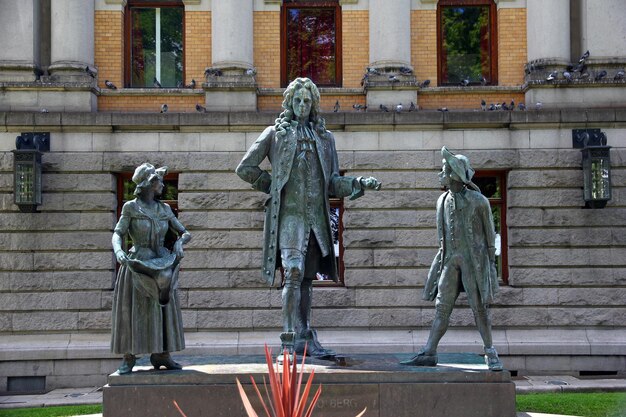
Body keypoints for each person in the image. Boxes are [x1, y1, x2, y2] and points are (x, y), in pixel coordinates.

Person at [236, 78, 380, 358]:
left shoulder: (325, 139)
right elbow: (245, 168)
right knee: (292, 272)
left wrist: (359, 183)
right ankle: (288, 342)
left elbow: (332, 183)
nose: (302, 106)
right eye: (297, 100)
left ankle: (305, 336)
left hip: (316, 219)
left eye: (307, 101)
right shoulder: (275, 134)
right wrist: (273, 185)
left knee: (306, 280)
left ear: (313, 105)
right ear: (289, 103)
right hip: (290, 217)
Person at [401, 147, 503, 371]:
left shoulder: (479, 202)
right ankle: (429, 351)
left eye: (445, 170)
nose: (442, 173)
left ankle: (490, 351)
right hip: (449, 260)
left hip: (473, 262)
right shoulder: (442, 201)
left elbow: (489, 238)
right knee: (441, 307)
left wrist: (491, 270)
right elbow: (442, 237)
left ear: (455, 175)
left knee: (479, 308)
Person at [111, 163, 191, 374]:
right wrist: (119, 251)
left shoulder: (164, 209)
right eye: (159, 181)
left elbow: (184, 232)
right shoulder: (130, 207)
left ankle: (162, 354)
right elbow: (118, 233)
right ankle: (129, 356)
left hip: (162, 262)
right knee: (134, 311)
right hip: (138, 263)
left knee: (162, 308)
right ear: (149, 184)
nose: (163, 185)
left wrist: (180, 243)